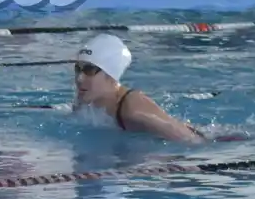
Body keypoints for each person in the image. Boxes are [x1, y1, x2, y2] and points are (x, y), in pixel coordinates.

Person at [71, 34, 205, 143]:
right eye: (78, 68)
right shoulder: (83, 101)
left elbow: (193, 141)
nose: (80, 78)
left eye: (89, 70)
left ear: (111, 74)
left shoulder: (132, 112)